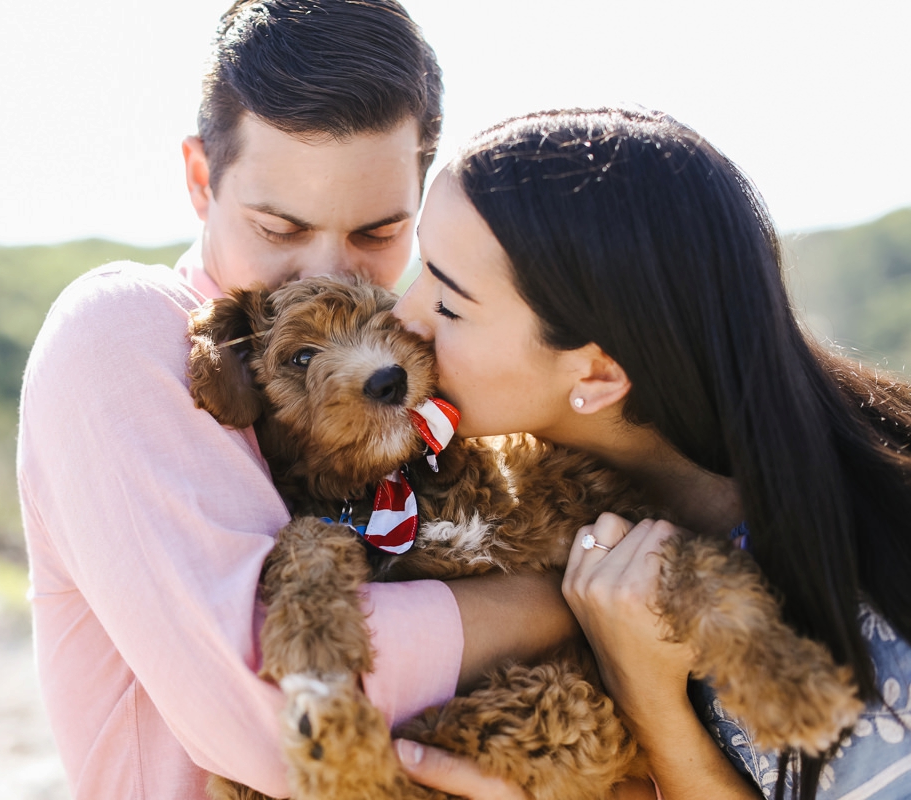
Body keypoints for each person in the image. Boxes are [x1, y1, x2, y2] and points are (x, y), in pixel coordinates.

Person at [16, 3, 577, 798]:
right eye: (281, 228)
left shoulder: (410, 363)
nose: (331, 274)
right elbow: (275, 715)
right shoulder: (127, 333)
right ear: (201, 179)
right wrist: (556, 601)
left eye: (378, 234)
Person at [390, 107, 911, 800]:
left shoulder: (859, 611)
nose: (403, 317)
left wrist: (649, 698)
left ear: (598, 374)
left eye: (450, 305)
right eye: (420, 268)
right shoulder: (539, 513)